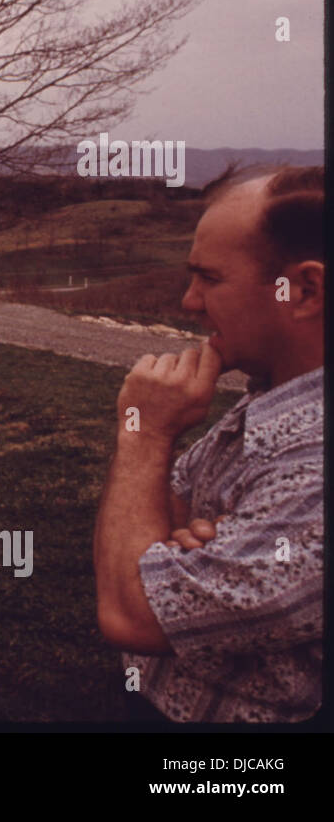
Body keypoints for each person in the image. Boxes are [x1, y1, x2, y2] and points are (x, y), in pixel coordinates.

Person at [94, 164, 323, 722]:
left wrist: (144, 433)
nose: (189, 302)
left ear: (304, 290)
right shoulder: (268, 399)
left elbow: (135, 613)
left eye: (209, 279)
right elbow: (145, 532)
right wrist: (165, 544)